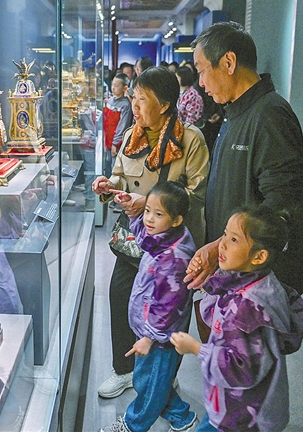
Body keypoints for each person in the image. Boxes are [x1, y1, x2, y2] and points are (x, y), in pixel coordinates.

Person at [92, 66, 209, 399]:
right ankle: (124, 370)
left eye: (142, 99)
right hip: (136, 242)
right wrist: (108, 186)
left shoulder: (191, 139)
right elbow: (120, 174)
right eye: (134, 98)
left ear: (165, 105)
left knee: (167, 312)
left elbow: (199, 193)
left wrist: (151, 203)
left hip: (173, 249)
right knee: (121, 298)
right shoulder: (133, 135)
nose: (135, 106)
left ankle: (164, 377)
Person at [184, 21, 303, 295]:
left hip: (259, 287)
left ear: (228, 62)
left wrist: (221, 245)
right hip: (233, 276)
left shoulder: (271, 115)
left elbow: (281, 204)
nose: (201, 83)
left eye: (202, 71)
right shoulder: (234, 113)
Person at [171, 205, 303, 432]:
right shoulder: (261, 283)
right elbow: (218, 319)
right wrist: (212, 284)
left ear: (259, 256)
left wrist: (196, 348)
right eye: (225, 234)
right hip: (239, 405)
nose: (222, 244)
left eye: (234, 239)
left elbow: (242, 370)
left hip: (242, 416)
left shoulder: (248, 309)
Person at [100, 179, 199, 432]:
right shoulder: (164, 236)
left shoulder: (174, 258)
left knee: (149, 386)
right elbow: (145, 240)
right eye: (147, 211)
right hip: (149, 328)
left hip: (160, 337)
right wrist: (132, 214)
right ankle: (183, 420)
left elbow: (168, 306)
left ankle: (132, 425)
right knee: (154, 382)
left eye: (158, 214)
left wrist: (149, 337)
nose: (149, 219)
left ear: (177, 219)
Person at [104, 73, 133, 177]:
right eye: (112, 84)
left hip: (116, 144)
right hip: (107, 140)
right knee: (106, 166)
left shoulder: (126, 105)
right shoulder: (110, 100)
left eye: (116, 86)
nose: (113, 88)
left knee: (114, 168)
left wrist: (115, 144)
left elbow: (123, 126)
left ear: (125, 88)